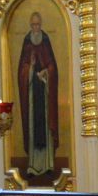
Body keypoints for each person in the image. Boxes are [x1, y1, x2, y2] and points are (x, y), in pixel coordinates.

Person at [17, 11, 60, 177]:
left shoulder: (46, 40)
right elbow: (22, 69)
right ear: (31, 25)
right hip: (32, 95)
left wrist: (46, 72)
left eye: (38, 24)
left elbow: (52, 66)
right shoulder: (27, 42)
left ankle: (48, 165)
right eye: (33, 25)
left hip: (45, 93)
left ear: (41, 25)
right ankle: (33, 167)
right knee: (33, 127)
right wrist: (30, 69)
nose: (36, 28)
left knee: (46, 126)